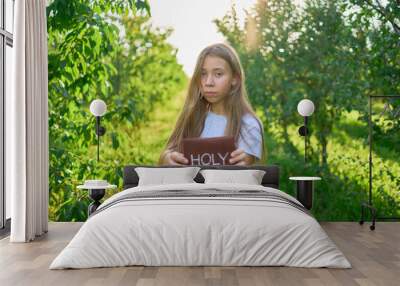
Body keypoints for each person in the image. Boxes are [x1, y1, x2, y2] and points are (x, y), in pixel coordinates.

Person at [159, 43, 265, 166]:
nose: (209, 82)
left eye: (218, 74)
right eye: (203, 74)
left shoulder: (248, 125)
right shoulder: (192, 117)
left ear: (235, 79)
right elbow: (167, 153)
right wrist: (167, 158)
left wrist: (242, 163)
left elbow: (242, 173)